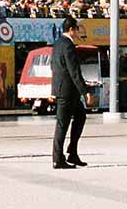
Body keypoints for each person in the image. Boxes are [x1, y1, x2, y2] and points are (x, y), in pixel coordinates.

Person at [51, 17, 93, 169]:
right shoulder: (68, 45)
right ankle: (57, 159)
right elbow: (74, 71)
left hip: (65, 89)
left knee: (80, 116)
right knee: (62, 124)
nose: (77, 32)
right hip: (67, 91)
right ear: (71, 30)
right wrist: (85, 91)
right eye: (77, 29)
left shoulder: (57, 44)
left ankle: (72, 152)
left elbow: (54, 66)